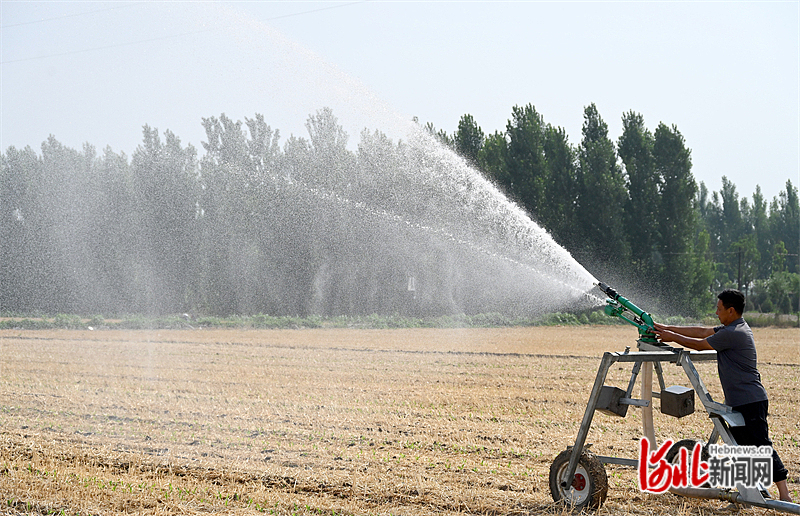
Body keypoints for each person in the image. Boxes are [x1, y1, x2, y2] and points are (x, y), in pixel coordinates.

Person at [653, 289, 792, 503]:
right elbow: (702, 331)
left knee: (761, 445)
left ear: (731, 310)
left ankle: (785, 494)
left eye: (719, 309)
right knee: (743, 449)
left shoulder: (734, 332)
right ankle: (753, 495)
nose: (716, 313)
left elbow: (700, 345)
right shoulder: (732, 326)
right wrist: (668, 328)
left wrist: (671, 337)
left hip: (750, 400)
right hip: (740, 401)